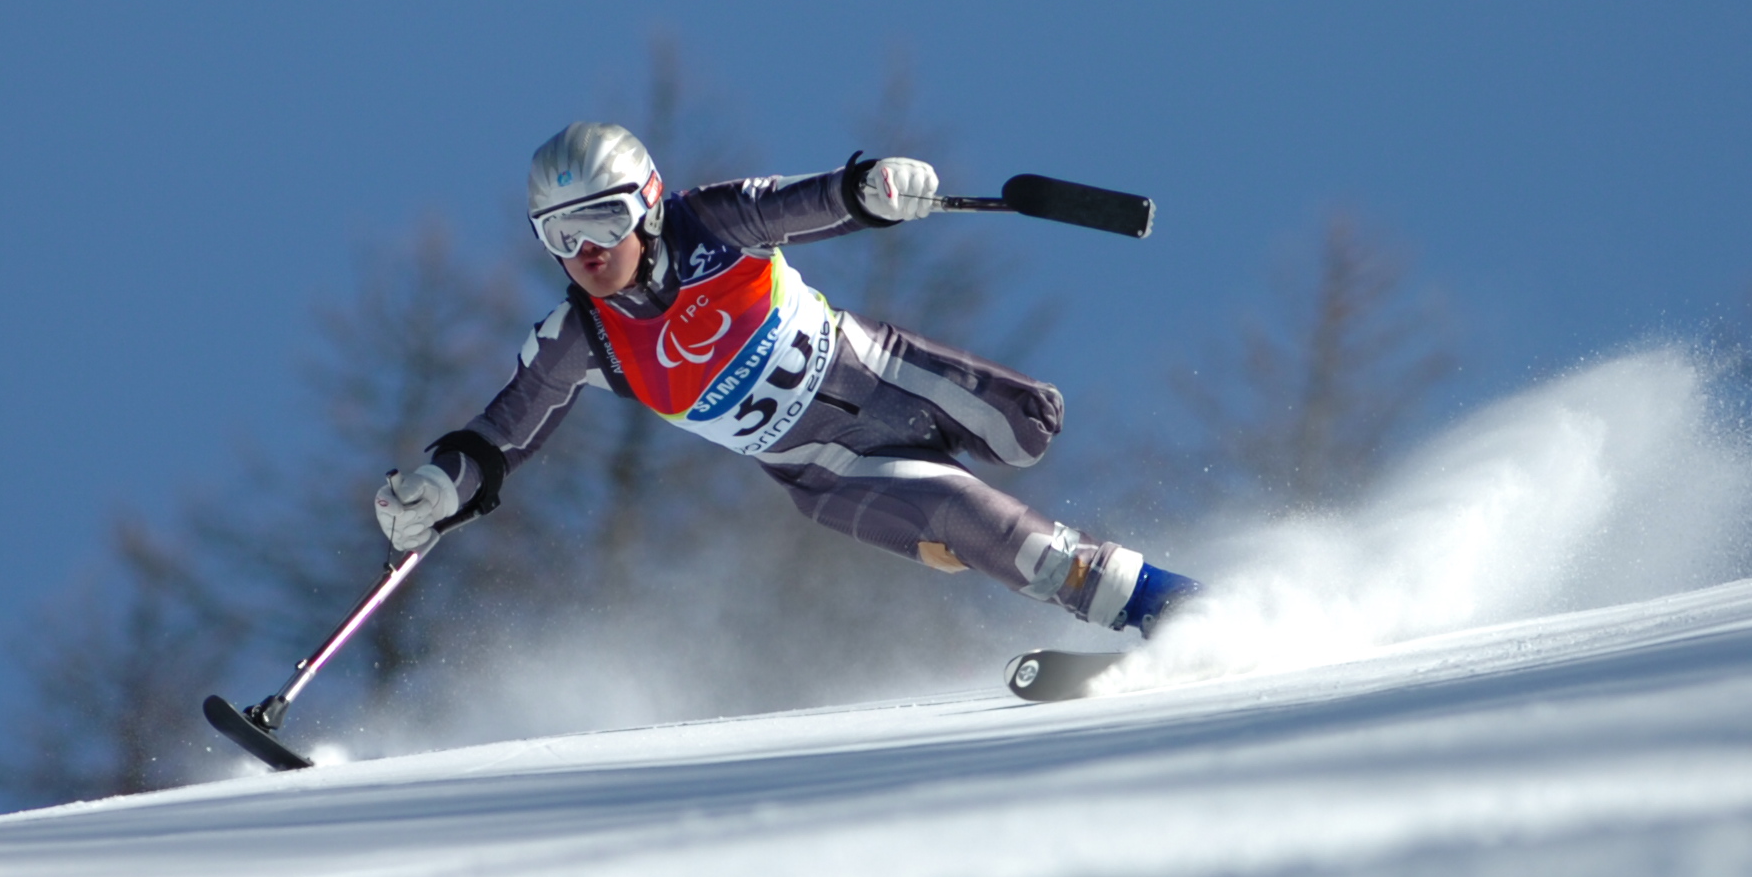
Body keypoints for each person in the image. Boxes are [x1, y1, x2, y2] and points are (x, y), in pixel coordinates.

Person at [374, 121, 1200, 635]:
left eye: (604, 218)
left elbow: (811, 202)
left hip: (887, 376)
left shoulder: (712, 223)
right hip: (829, 469)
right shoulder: (580, 337)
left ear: (650, 205)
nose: (585, 249)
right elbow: (501, 432)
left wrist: (873, 190)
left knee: (1028, 430)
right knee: (983, 523)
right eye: (559, 232)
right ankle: (1156, 605)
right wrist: (442, 488)